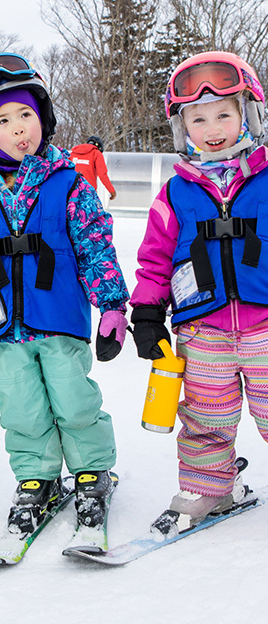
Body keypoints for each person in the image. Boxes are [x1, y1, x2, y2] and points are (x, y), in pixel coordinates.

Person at [0, 53, 130, 537]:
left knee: (74, 400)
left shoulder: (69, 183)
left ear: (42, 118)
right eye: (3, 120)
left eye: (26, 114)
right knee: (21, 409)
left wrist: (111, 305)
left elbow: (94, 246)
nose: (18, 128)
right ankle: (37, 478)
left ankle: (92, 472)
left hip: (58, 317)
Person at [130, 51, 268, 537]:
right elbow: (155, 259)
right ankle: (211, 486)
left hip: (266, 327)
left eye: (225, 114)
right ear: (183, 127)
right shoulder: (175, 194)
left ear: (248, 115)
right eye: (199, 118)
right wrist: (146, 312)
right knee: (206, 416)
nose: (213, 127)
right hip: (203, 330)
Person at [71, 135, 117, 200]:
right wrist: (112, 191)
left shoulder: (73, 154)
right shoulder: (96, 153)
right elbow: (102, 174)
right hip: (88, 193)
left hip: (72, 192)